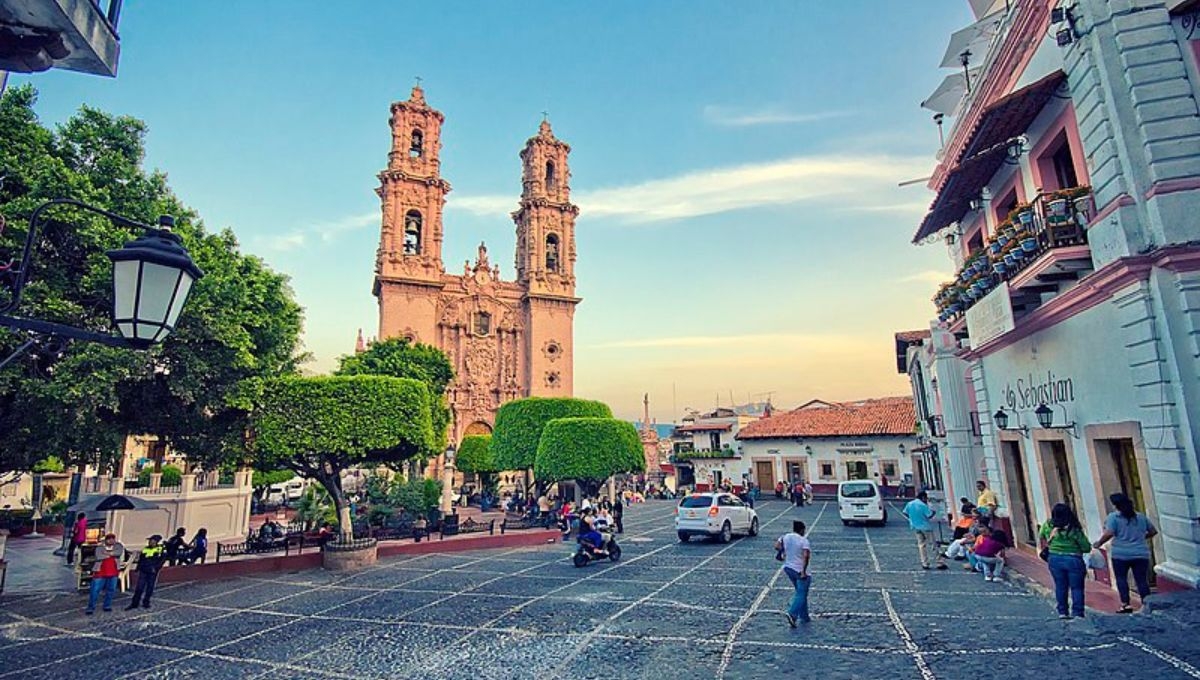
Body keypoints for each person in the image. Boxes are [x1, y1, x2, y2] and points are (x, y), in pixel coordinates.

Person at [1093, 492, 1158, 613]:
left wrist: (1099, 543)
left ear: (1115, 505)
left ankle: (1125, 604)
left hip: (1121, 554)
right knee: (1142, 580)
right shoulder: (1140, 517)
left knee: (1121, 579)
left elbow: (1109, 533)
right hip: (1140, 553)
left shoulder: (1113, 517)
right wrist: (1141, 538)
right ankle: (1147, 603)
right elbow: (1153, 531)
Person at [1039, 503, 1092, 619]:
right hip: (1073, 559)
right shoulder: (1074, 529)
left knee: (1060, 586)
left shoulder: (1048, 525)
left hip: (1054, 558)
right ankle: (1077, 612)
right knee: (1077, 587)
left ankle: (1062, 612)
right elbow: (1086, 547)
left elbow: (1041, 536)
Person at [775, 520, 812, 627]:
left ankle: (804, 616)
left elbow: (777, 546)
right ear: (802, 530)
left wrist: (783, 552)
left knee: (800, 592)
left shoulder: (785, 537)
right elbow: (806, 556)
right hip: (800, 570)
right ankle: (792, 613)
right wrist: (804, 571)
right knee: (801, 593)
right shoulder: (804, 541)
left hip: (788, 568)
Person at [903, 491, 947, 570]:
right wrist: (934, 512)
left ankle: (925, 563)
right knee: (933, 545)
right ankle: (939, 562)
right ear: (923, 497)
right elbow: (929, 515)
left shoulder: (910, 504)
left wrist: (912, 518)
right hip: (926, 527)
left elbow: (905, 512)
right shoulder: (923, 505)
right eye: (926, 498)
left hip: (915, 527)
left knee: (921, 545)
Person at [85, 533, 124, 614]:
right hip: (100, 573)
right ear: (106, 540)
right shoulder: (99, 547)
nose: (111, 541)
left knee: (111, 590)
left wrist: (107, 554)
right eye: (109, 539)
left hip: (113, 573)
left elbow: (118, 552)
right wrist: (111, 555)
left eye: (113, 539)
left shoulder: (118, 546)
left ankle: (107, 605)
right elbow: (98, 556)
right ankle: (91, 607)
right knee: (95, 590)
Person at [126, 534, 167, 610]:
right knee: (139, 587)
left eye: (152, 541)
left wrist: (156, 568)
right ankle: (134, 603)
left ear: (156, 542)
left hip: (152, 571)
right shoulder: (146, 549)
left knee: (150, 587)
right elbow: (141, 559)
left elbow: (162, 560)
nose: (150, 542)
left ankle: (146, 602)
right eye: (150, 541)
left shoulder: (160, 549)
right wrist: (138, 568)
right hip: (143, 570)